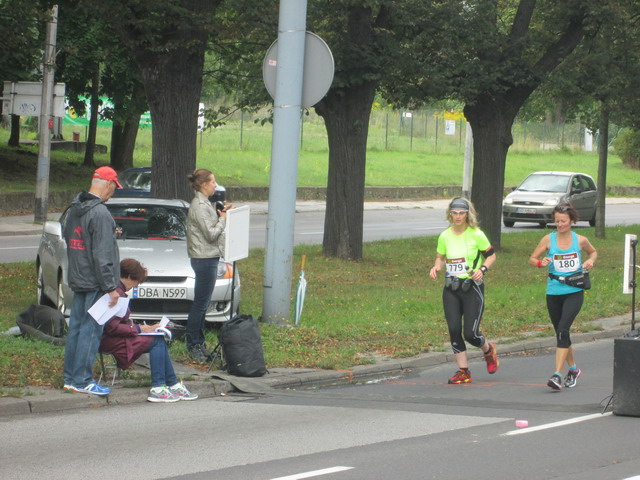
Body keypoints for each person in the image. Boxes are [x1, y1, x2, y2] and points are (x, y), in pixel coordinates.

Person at [100, 258, 198, 403]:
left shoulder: (117, 291)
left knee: (157, 338)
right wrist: (139, 328)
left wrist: (147, 328)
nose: (135, 286)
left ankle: (171, 383)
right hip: (109, 339)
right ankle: (159, 386)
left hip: (111, 337)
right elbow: (112, 327)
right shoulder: (117, 294)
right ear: (128, 277)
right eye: (136, 282)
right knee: (156, 340)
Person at [62, 166, 123, 396]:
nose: (113, 193)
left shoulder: (74, 207)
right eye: (114, 187)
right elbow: (102, 255)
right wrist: (111, 287)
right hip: (96, 283)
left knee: (76, 329)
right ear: (107, 184)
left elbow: (71, 237)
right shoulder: (100, 213)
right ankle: (83, 380)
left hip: (78, 278)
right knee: (91, 331)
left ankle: (70, 378)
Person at [429, 197, 499, 384]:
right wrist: (436, 267)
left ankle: (488, 350)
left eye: (462, 213)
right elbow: (440, 257)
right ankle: (463, 371)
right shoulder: (445, 235)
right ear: (450, 214)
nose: (458, 216)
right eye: (455, 213)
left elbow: (491, 256)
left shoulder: (476, 234)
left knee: (471, 333)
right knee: (453, 329)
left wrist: (482, 270)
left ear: (468, 214)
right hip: (451, 287)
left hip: (471, 288)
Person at [528, 203, 597, 390]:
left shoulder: (580, 240)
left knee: (563, 329)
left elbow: (593, 251)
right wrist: (541, 263)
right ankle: (573, 369)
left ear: (572, 221)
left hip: (574, 292)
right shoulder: (548, 240)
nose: (560, 224)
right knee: (561, 333)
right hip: (553, 292)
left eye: (563, 221)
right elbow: (532, 258)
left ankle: (557, 375)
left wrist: (590, 261)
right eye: (557, 221)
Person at [185, 168, 230, 362]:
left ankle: (199, 342)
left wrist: (221, 214)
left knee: (203, 304)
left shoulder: (205, 203)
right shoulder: (200, 205)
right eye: (212, 182)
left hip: (207, 257)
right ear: (203, 184)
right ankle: (193, 343)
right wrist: (222, 220)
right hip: (204, 258)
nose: (215, 185)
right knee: (201, 304)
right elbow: (211, 234)